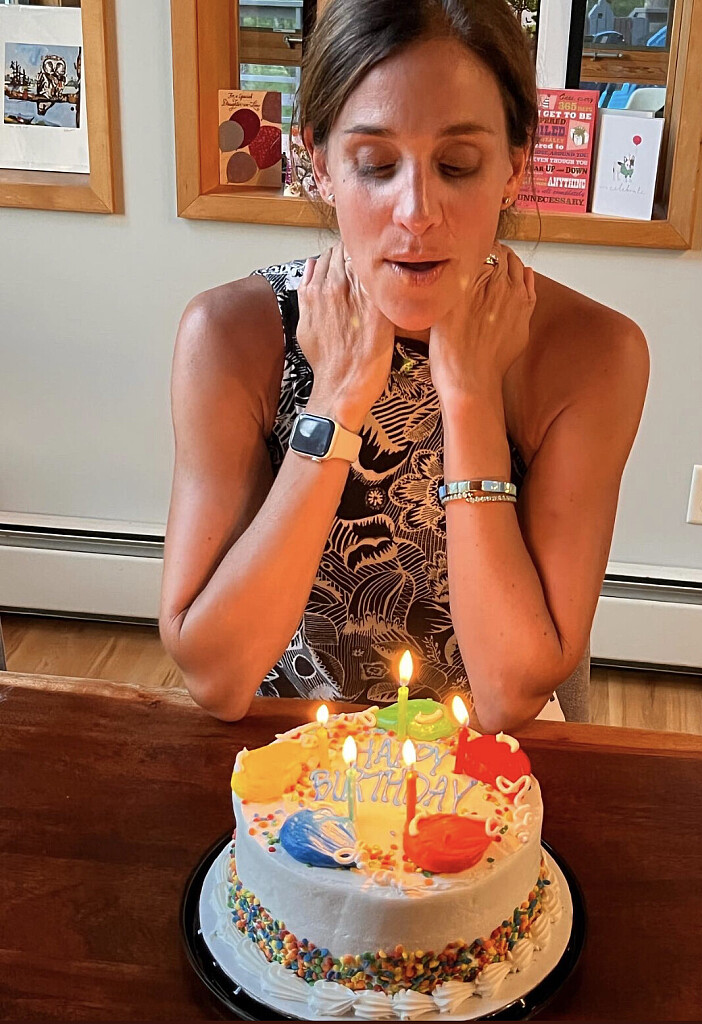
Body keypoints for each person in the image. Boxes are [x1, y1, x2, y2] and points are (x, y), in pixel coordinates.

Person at [159, 0, 649, 730]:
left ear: (514, 167)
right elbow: (216, 676)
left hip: (484, 766)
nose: (416, 211)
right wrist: (336, 401)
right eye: (375, 165)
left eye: (457, 165)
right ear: (321, 164)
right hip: (289, 755)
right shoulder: (232, 337)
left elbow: (509, 693)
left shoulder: (590, 354)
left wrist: (471, 397)